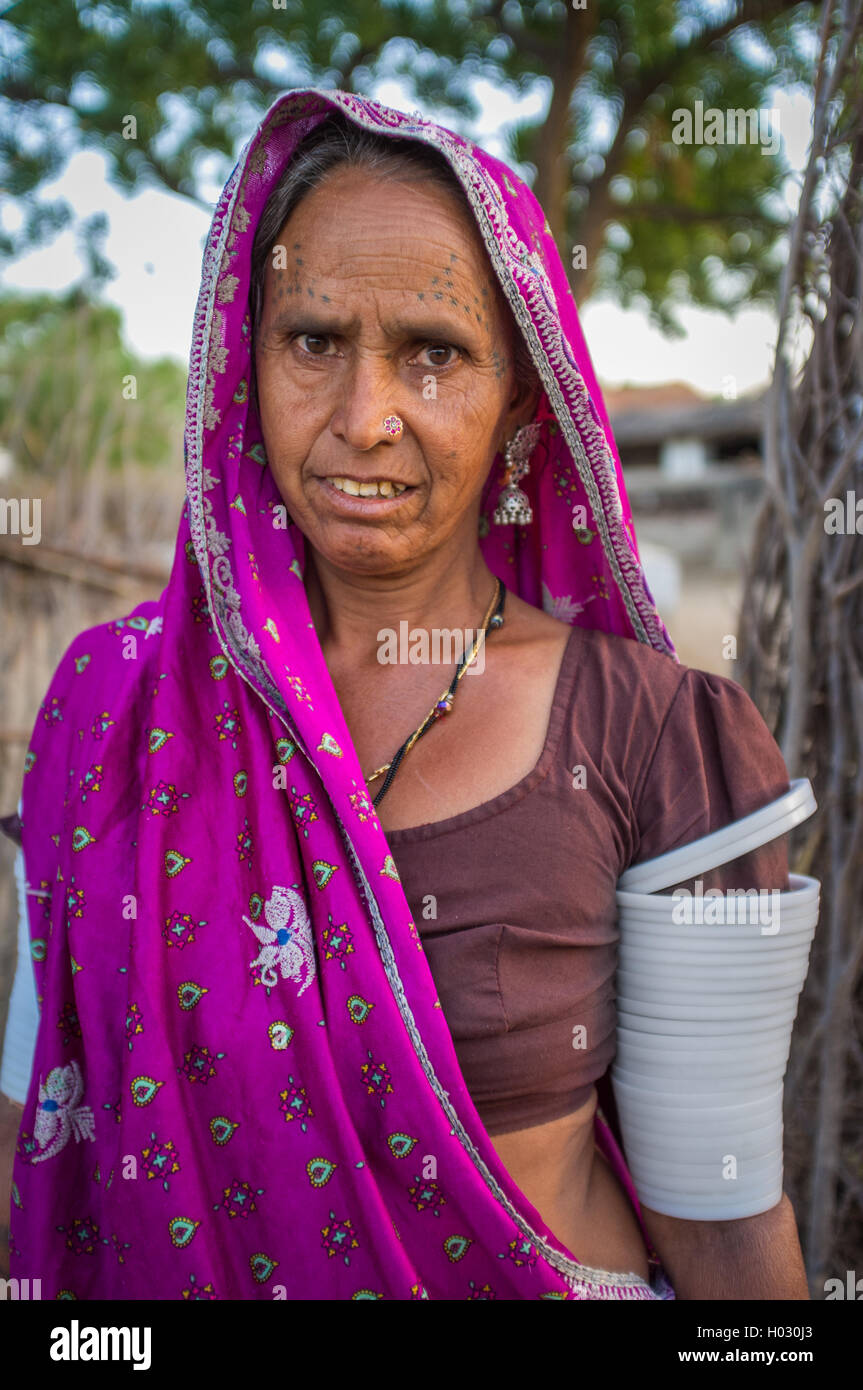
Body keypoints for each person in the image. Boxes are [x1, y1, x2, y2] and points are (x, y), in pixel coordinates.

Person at [0, 88, 809, 1300]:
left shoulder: (652, 734)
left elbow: (727, 1223)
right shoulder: (113, 709)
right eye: (313, 341)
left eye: (433, 353)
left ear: (520, 403)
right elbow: (35, 1113)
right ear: (246, 361)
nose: (363, 419)